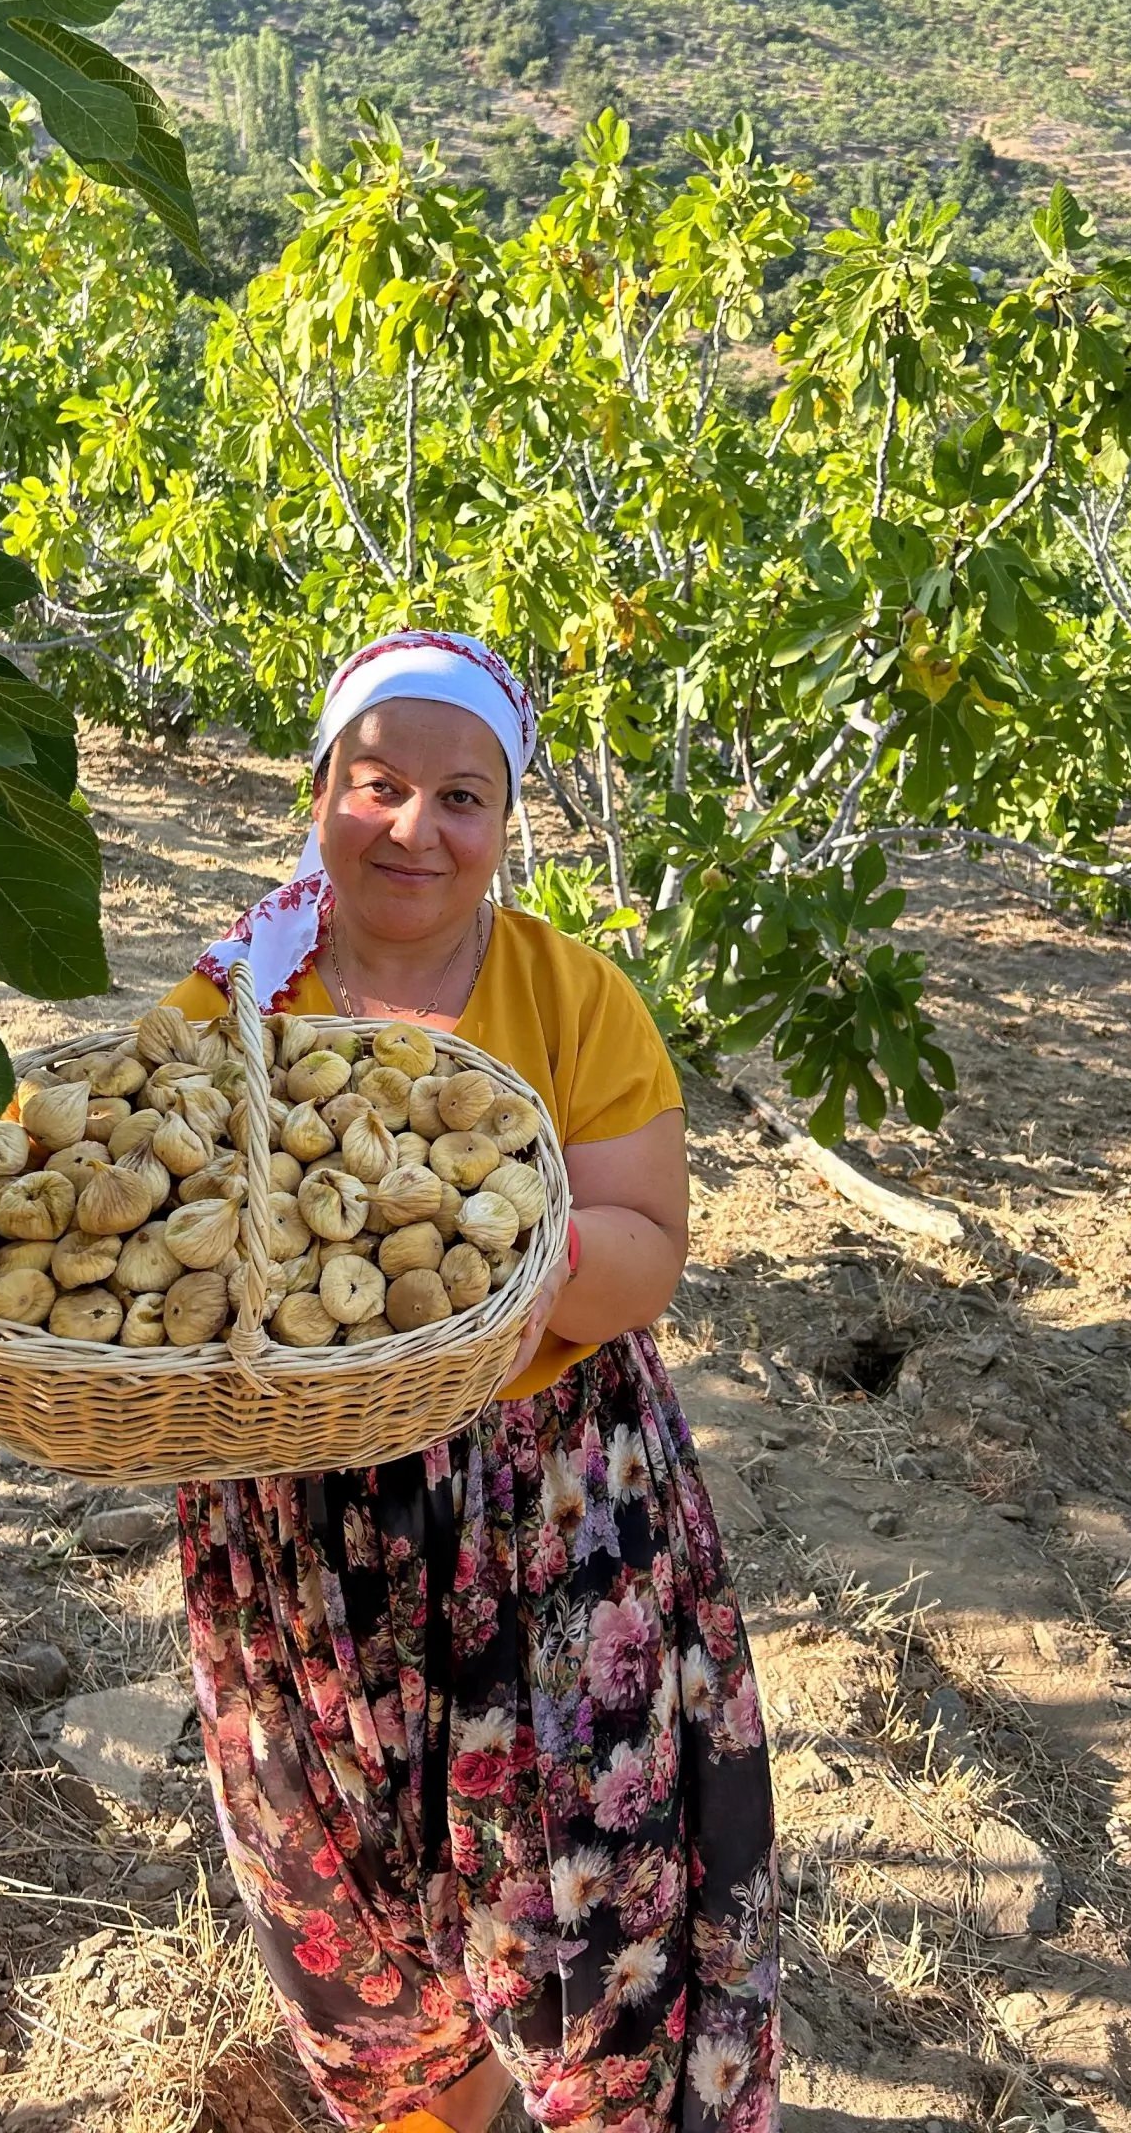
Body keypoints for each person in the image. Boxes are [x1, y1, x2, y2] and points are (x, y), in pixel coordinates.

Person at [157, 631, 779, 2133]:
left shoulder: (574, 1002)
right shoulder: (234, 998)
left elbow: (646, 1249)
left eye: (461, 796)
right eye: (375, 787)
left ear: (506, 821)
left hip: (541, 1503)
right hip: (297, 1527)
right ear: (320, 797)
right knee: (348, 1907)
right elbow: (138, 1226)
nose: (414, 830)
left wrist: (486, 1248)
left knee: (586, 1903)